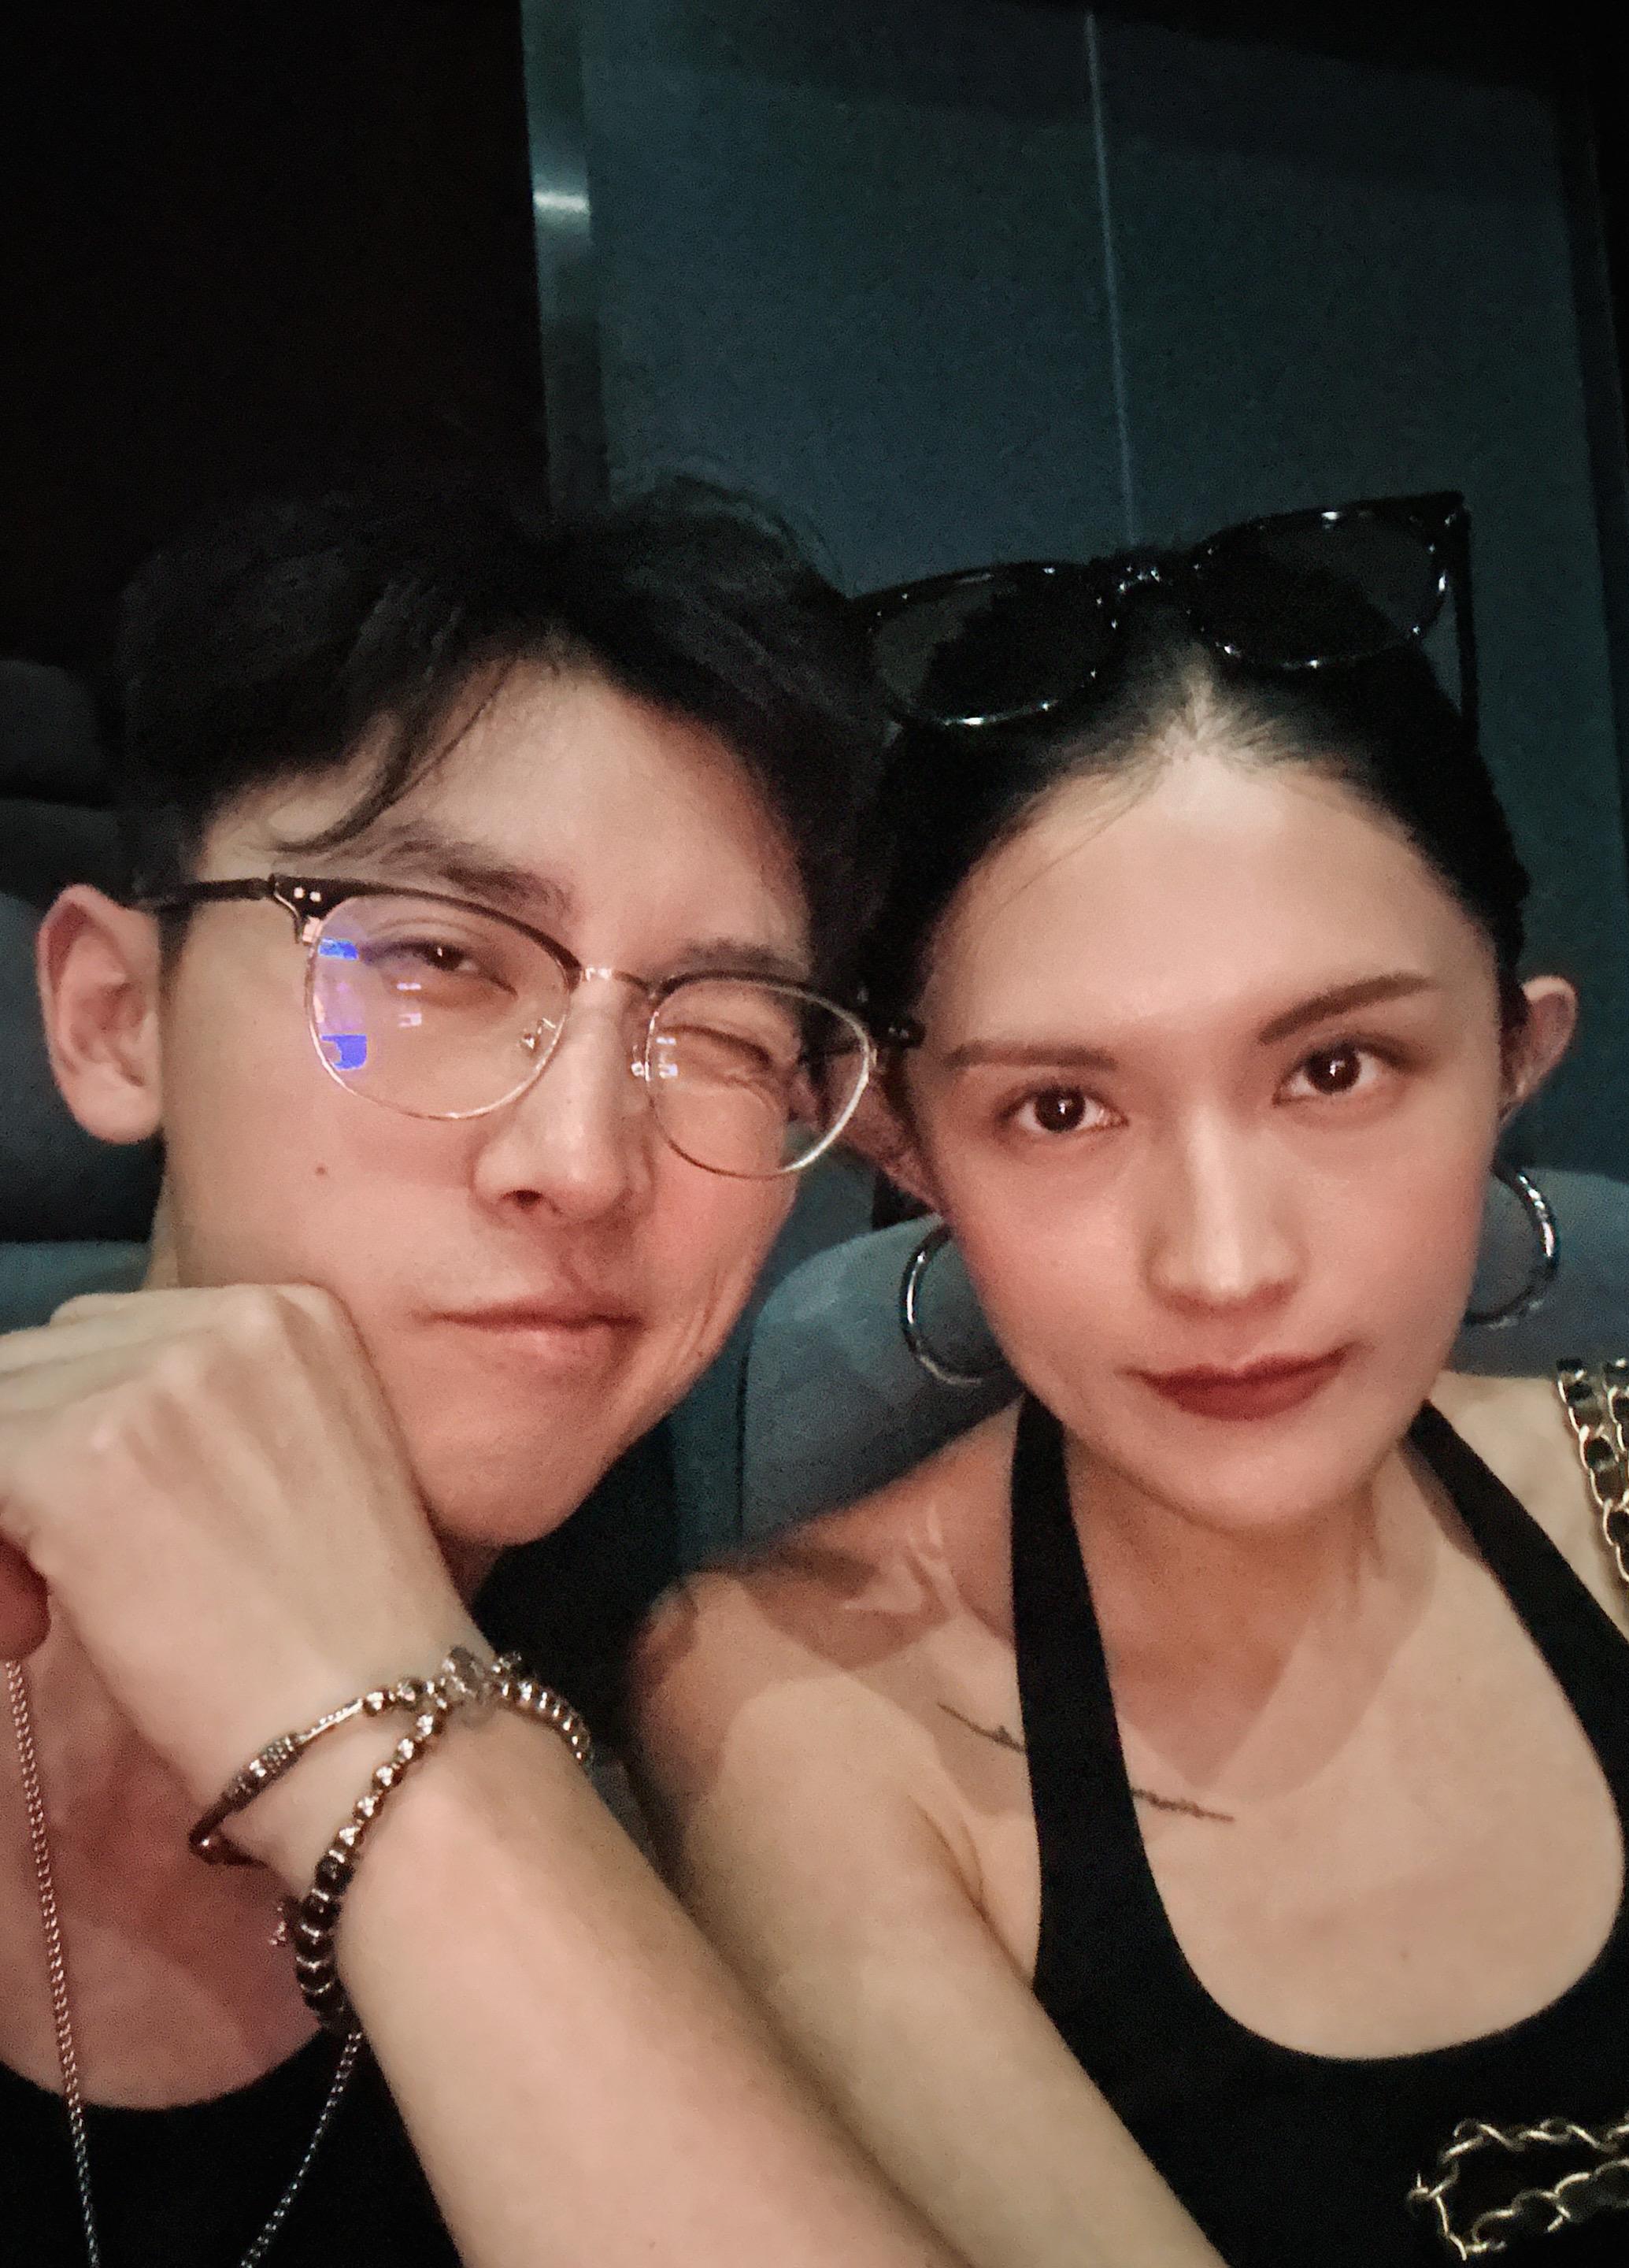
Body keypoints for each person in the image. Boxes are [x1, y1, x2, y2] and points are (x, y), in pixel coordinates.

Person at [631, 496, 1629, 2267]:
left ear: (1517, 1057)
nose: (1223, 1263)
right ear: (907, 1149)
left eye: (1337, 1067)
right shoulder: (797, 1703)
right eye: (1060, 1109)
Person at [0, 482, 971, 2266]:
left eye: (723, 1030)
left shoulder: (729, 1795)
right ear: (114, 1017)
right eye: (436, 959)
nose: (584, 1163)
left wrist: (394, 1730)